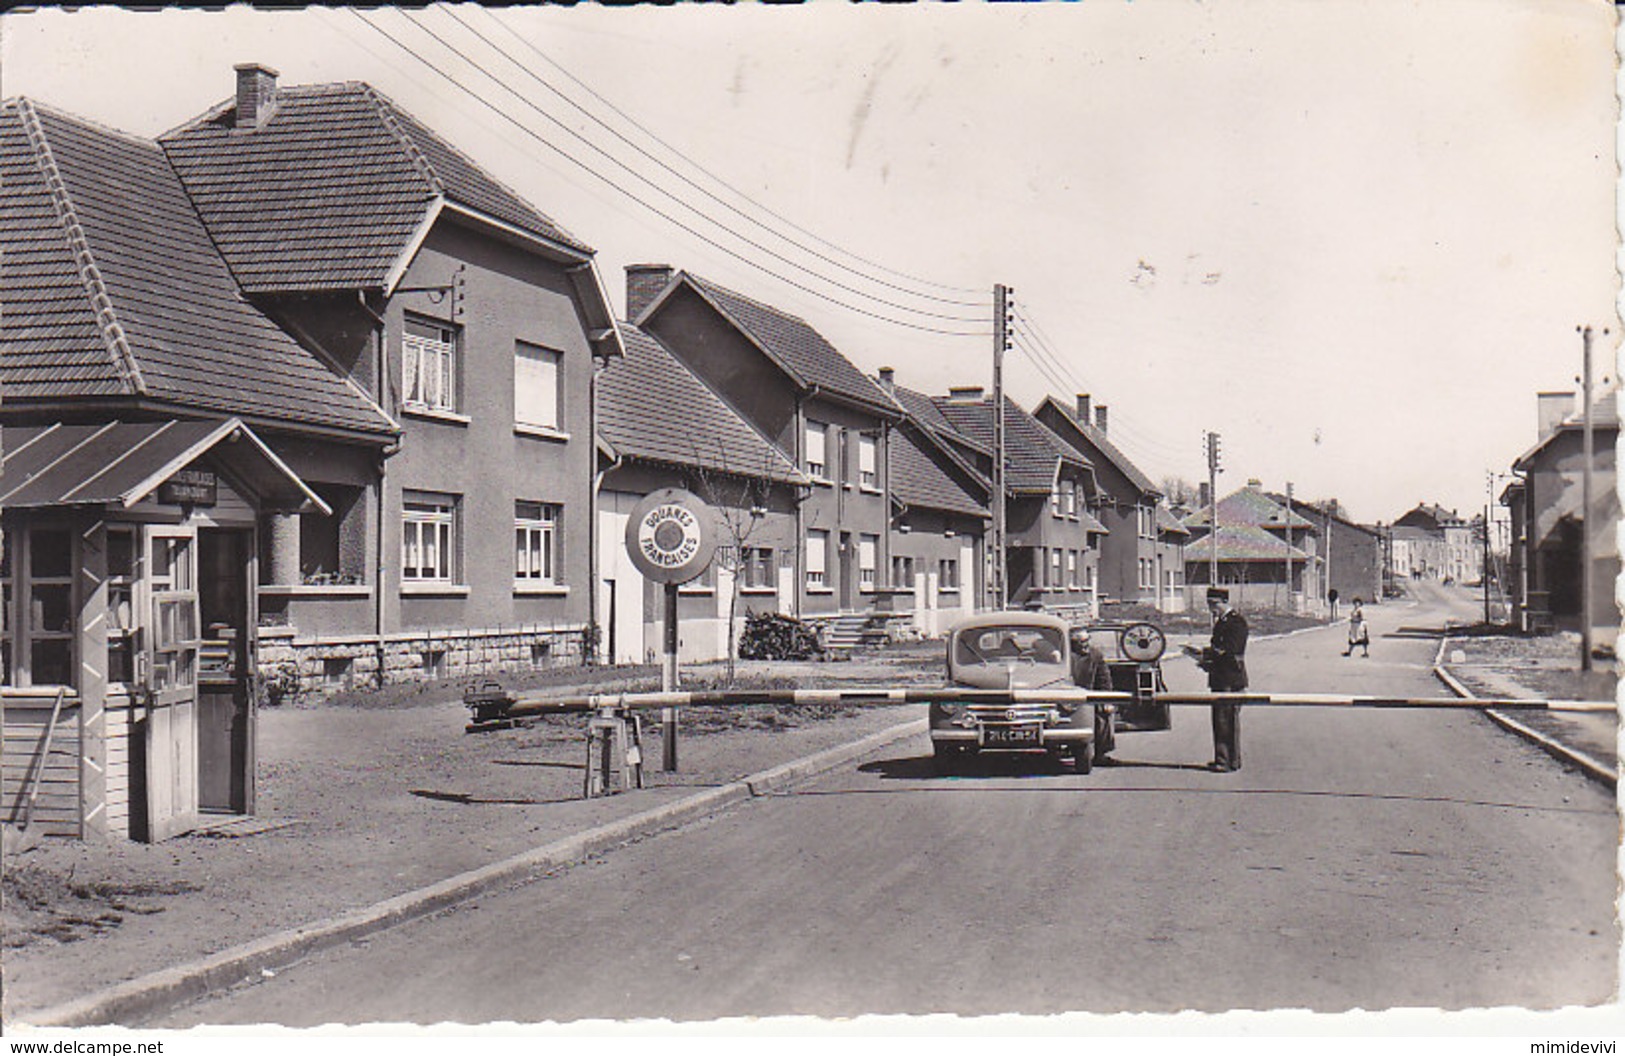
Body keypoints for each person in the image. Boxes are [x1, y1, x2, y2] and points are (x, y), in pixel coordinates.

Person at [1198, 587, 1248, 771]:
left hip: (1231, 678)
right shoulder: (1222, 622)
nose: (1211, 608)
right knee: (1220, 720)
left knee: (1227, 720)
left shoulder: (1236, 622)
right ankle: (1224, 758)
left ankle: (1228, 761)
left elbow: (1231, 651)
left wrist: (1208, 656)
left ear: (1223, 602)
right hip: (1221, 677)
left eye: (1213, 604)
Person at [1069, 629, 1116, 764]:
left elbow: (1104, 678)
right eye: (1080, 642)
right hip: (1066, 695)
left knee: (1103, 713)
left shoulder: (1095, 655)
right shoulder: (1065, 655)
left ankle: (1100, 753)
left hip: (1088, 695)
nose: (1085, 645)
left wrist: (1107, 699)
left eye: (1087, 640)